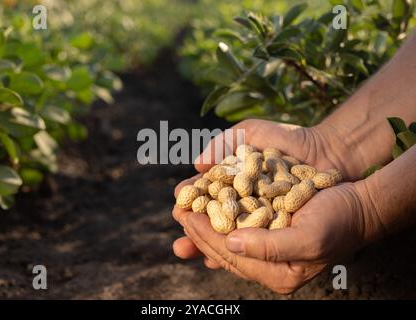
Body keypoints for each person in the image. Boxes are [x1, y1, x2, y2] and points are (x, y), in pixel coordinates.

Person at [171, 32, 416, 294]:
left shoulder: (272, 188)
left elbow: (274, 199)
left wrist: (370, 208)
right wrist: (336, 145)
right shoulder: (254, 182)